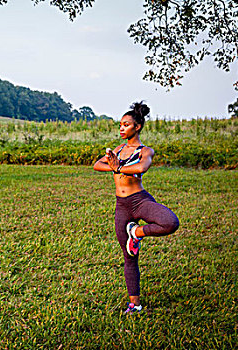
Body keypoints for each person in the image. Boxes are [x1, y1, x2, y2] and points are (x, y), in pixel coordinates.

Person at [93, 102, 179, 314]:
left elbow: (142, 167)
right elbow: (97, 164)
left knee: (170, 222)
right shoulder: (118, 150)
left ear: (137, 127)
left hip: (140, 201)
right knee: (129, 257)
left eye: (126, 125)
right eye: (120, 125)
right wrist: (113, 166)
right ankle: (135, 304)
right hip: (121, 207)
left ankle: (136, 232)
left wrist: (119, 167)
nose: (121, 128)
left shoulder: (145, 151)